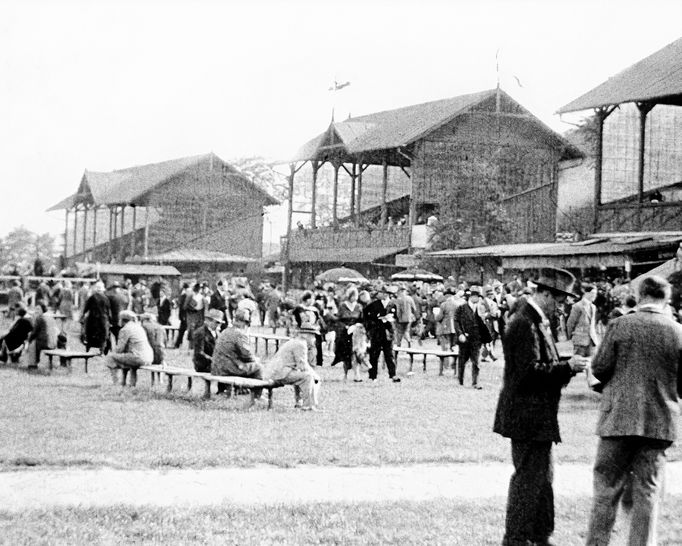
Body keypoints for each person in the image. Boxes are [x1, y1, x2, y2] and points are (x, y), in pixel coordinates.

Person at [493, 267, 588, 546]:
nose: (562, 308)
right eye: (559, 301)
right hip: (527, 416)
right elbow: (529, 373)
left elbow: (542, 367)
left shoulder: (536, 321)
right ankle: (517, 538)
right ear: (545, 293)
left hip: (537, 416)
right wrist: (567, 367)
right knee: (528, 481)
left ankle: (539, 535)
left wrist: (566, 368)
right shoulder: (525, 322)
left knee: (543, 480)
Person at [585, 275, 682, 545]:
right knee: (648, 492)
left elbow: (600, 368)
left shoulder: (619, 325)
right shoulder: (677, 331)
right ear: (667, 299)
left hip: (618, 420)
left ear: (639, 296)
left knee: (606, 490)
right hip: (659, 423)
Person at [212, 308, 265, 407]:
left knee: (248, 366)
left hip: (217, 368)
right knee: (259, 367)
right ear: (243, 322)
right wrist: (256, 360)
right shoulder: (240, 334)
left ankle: (242, 390)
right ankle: (257, 396)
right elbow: (247, 355)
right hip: (229, 369)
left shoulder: (225, 331)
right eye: (247, 323)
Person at [264, 326, 321, 410]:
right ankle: (308, 406)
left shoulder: (295, 341)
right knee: (308, 377)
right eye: (313, 336)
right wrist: (316, 376)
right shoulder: (301, 344)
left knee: (305, 375)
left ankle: (301, 402)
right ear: (306, 335)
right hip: (280, 373)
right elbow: (303, 366)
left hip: (277, 371)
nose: (314, 339)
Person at [454, 286, 492, 389]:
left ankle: (475, 382)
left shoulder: (479, 309)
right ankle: (460, 381)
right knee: (462, 360)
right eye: (476, 297)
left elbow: (483, 325)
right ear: (471, 297)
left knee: (476, 361)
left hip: (476, 339)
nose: (478, 299)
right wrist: (460, 333)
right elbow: (456, 321)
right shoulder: (461, 308)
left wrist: (486, 339)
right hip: (465, 338)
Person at [105, 310, 153, 387]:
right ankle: (131, 383)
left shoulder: (125, 329)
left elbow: (119, 349)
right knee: (126, 357)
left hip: (138, 357)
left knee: (110, 358)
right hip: (149, 356)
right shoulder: (138, 327)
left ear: (122, 320)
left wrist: (113, 351)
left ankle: (116, 383)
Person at [363, 287, 401, 383]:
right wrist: (371, 323)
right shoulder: (374, 304)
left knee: (389, 354)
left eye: (381, 293)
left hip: (388, 332)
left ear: (386, 294)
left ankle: (393, 374)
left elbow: (396, 317)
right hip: (376, 332)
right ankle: (372, 375)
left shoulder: (392, 304)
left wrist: (390, 320)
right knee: (374, 354)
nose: (379, 294)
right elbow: (365, 314)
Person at [331, 286, 363, 374]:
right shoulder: (343, 306)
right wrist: (345, 327)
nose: (355, 298)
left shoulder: (359, 306)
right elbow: (338, 319)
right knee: (346, 353)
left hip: (356, 332)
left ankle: (357, 373)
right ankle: (345, 373)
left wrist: (357, 326)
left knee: (356, 353)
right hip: (345, 331)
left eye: (356, 296)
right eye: (353, 295)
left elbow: (361, 319)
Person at [566, 283, 600, 358]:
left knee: (590, 365)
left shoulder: (593, 307)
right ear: (586, 293)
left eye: (595, 294)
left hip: (592, 341)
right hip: (579, 342)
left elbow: (592, 325)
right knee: (579, 364)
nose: (594, 296)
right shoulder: (577, 306)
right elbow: (570, 324)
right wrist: (569, 340)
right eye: (592, 293)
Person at [81, 281, 111, 354]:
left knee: (90, 333)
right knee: (103, 334)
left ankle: (88, 348)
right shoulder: (105, 298)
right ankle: (102, 350)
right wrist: (110, 320)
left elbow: (86, 307)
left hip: (93, 318)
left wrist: (83, 315)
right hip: (103, 319)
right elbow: (108, 310)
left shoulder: (92, 297)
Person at [27, 303, 58, 368]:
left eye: (38, 309)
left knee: (32, 341)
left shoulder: (40, 318)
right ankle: (35, 361)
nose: (36, 311)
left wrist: (28, 340)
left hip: (45, 343)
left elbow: (34, 332)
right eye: (35, 309)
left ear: (43, 310)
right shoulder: (51, 317)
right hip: (53, 343)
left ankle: (33, 364)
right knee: (34, 340)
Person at [193, 309, 223, 374]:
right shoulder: (200, 332)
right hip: (203, 364)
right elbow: (199, 352)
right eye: (217, 322)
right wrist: (213, 359)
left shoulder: (218, 334)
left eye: (220, 323)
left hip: (214, 364)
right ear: (209, 321)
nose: (218, 325)